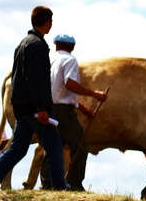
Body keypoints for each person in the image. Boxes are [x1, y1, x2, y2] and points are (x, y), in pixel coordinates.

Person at [0, 6, 69, 191]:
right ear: (47, 22)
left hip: (21, 107)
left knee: (18, 149)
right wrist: (42, 108)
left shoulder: (22, 43)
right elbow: (35, 79)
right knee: (54, 145)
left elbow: (18, 77)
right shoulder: (38, 45)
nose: (51, 25)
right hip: (34, 108)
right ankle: (60, 186)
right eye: (50, 22)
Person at [39, 33, 108, 191]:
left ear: (56, 45)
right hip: (63, 112)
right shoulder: (70, 60)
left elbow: (56, 91)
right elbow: (69, 84)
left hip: (49, 108)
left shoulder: (50, 60)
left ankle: (47, 183)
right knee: (80, 146)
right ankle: (75, 184)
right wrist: (95, 94)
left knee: (53, 145)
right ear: (72, 47)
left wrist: (82, 108)